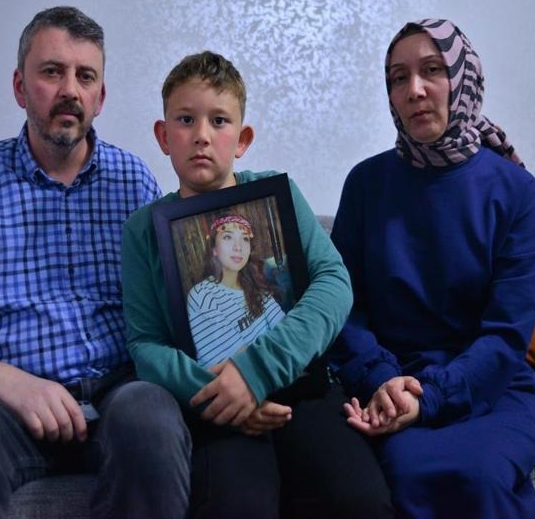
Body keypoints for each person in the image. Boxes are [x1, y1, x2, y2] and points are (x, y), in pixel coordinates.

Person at [0, 6, 190, 519]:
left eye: (85, 76)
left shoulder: (135, 182)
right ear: (20, 87)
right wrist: (12, 385)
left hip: (118, 394)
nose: (70, 90)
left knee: (152, 419)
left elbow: (172, 308)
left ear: (100, 97)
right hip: (5, 405)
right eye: (52, 72)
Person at [122, 51, 393, 519]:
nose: (202, 135)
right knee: (237, 506)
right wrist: (221, 393)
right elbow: (146, 344)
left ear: (243, 139)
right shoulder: (144, 230)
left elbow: (334, 284)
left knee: (360, 501)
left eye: (219, 120)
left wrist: (255, 373)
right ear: (164, 136)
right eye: (185, 120)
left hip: (305, 391)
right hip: (216, 407)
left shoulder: (276, 193)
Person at [328, 18, 535, 518]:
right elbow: (343, 308)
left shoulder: (516, 191)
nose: (415, 90)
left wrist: (429, 398)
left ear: (462, 78)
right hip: (391, 383)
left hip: (490, 387)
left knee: (480, 476)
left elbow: (507, 334)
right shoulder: (365, 184)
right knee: (404, 475)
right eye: (398, 77)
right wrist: (383, 381)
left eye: (432, 70)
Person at [187, 212, 285, 368]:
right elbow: (242, 365)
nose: (238, 247)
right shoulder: (202, 296)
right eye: (227, 237)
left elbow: (283, 330)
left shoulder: (255, 283)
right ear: (214, 249)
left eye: (245, 239)